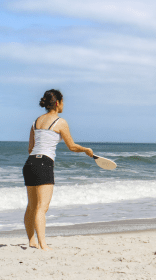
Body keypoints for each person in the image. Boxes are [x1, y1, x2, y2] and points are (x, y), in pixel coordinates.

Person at [22, 89, 94, 251]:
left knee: (31, 206)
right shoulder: (60, 122)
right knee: (42, 207)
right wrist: (86, 150)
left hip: (30, 163)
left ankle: (32, 242)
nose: (64, 105)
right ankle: (43, 245)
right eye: (62, 102)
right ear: (57, 103)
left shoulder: (36, 122)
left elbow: (30, 148)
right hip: (44, 164)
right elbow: (72, 146)